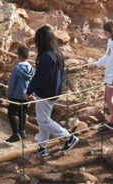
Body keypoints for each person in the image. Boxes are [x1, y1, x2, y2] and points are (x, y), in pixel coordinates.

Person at [26, 26, 79, 156]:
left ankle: (69, 137)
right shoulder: (57, 53)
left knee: (43, 120)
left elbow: (40, 77)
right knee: (43, 119)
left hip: (45, 93)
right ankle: (42, 148)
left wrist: (28, 91)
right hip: (54, 90)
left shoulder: (46, 57)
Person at [89, 20, 113, 134]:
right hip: (110, 74)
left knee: (108, 99)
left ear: (112, 32)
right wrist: (96, 65)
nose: (105, 35)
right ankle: (112, 121)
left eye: (106, 33)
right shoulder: (111, 41)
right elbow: (107, 56)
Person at [6, 44, 34, 143]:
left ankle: (15, 133)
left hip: (16, 96)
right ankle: (22, 131)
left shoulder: (17, 69)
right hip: (26, 96)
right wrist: (32, 95)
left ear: (19, 56)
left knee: (11, 114)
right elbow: (33, 82)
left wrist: (8, 95)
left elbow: (12, 84)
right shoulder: (31, 69)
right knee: (22, 113)